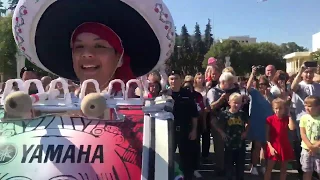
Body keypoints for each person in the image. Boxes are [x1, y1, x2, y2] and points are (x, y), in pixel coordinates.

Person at [168, 70, 199, 180]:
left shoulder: (187, 94)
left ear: (181, 80)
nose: (174, 81)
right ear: (168, 80)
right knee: (168, 156)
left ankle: (187, 177)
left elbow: (194, 114)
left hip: (185, 130)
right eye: (171, 78)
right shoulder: (164, 94)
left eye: (176, 78)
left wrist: (194, 130)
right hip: (168, 131)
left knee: (186, 158)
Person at [213, 92, 250, 180]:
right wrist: (222, 133)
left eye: (239, 103)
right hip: (229, 143)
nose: (237, 105)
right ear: (229, 102)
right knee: (228, 165)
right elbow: (214, 123)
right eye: (235, 102)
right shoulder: (224, 114)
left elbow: (249, 123)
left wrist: (246, 132)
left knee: (240, 165)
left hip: (240, 142)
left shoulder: (242, 114)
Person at [264, 98, 295, 180]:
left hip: (285, 146)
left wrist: (290, 115)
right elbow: (267, 136)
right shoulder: (269, 119)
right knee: (269, 169)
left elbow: (292, 128)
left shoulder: (287, 119)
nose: (278, 110)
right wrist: (270, 147)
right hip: (273, 145)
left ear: (284, 109)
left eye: (280, 108)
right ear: (273, 109)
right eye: (276, 108)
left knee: (284, 169)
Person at [299, 96, 320, 180]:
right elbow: (303, 133)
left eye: (310, 106)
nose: (307, 108)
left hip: (318, 151)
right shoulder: (304, 118)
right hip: (306, 150)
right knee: (307, 171)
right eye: (305, 105)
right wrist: (310, 146)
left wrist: (315, 146)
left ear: (318, 107)